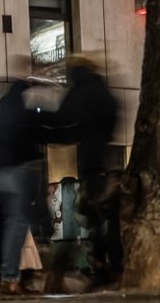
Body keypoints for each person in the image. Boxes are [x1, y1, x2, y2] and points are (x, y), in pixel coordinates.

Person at [43, 56, 124, 287]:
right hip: (101, 159)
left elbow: (63, 120)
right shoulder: (101, 88)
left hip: (90, 161)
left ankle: (74, 270)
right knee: (102, 219)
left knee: (90, 216)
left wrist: (43, 130)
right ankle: (109, 268)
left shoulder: (80, 91)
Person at [0, 80, 45, 296]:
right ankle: (10, 278)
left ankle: (6, 278)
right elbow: (33, 139)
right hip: (14, 173)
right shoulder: (21, 115)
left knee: (9, 226)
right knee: (17, 224)